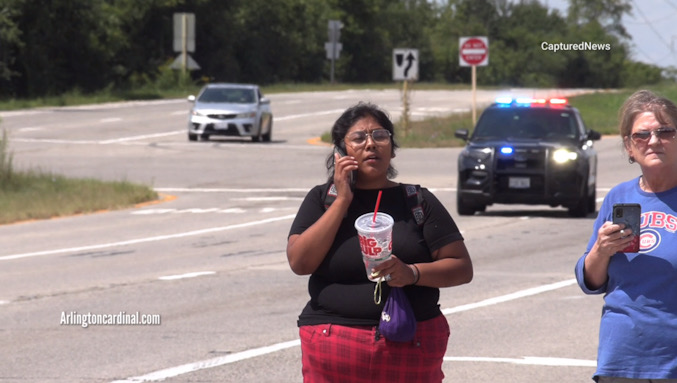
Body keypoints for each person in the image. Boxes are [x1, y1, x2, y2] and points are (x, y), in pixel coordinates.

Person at [286, 102, 473, 383]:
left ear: (392, 148)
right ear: (340, 151)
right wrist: (342, 202)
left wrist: (412, 273)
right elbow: (300, 262)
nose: (371, 144)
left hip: (409, 341)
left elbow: (461, 267)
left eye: (380, 136)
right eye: (359, 138)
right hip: (333, 342)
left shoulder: (417, 201)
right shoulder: (321, 199)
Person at [575, 90, 677, 382]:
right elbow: (591, 282)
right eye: (641, 135)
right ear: (629, 147)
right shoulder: (618, 197)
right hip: (621, 358)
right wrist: (601, 250)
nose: (654, 141)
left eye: (665, 131)